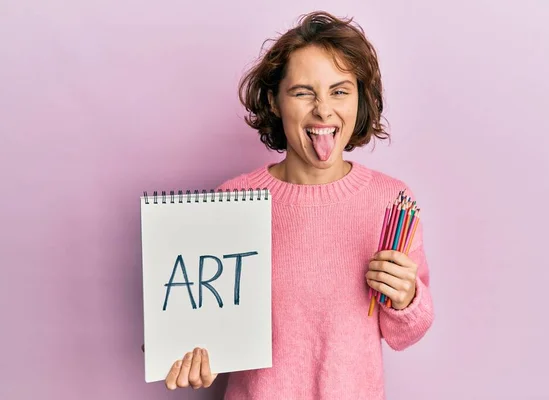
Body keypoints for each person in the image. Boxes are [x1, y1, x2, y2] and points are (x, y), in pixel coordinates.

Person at [160, 10, 434, 399]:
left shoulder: (391, 201)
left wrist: (407, 298)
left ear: (360, 100)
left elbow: (405, 334)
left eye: (340, 91)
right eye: (304, 92)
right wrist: (187, 352)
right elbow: (202, 326)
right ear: (273, 101)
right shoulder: (230, 201)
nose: (323, 109)